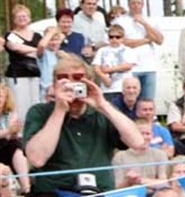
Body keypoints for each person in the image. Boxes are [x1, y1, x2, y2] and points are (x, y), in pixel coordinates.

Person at [23, 54, 143, 195]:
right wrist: (60, 110)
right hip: (54, 191)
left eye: (78, 78)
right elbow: (37, 159)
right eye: (63, 78)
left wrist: (103, 105)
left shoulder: (102, 113)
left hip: (98, 191)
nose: (71, 84)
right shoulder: (40, 112)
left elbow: (137, 142)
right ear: (55, 85)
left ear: (89, 82)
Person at [113, 0, 163, 100]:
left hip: (149, 67)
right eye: (133, 3)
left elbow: (159, 40)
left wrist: (144, 23)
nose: (136, 6)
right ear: (129, 4)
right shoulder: (120, 21)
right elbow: (122, 42)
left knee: (147, 101)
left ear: (143, 4)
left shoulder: (151, 20)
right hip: (129, 68)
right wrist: (146, 40)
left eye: (139, 3)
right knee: (130, 101)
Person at [4, 4, 42, 122]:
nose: (22, 19)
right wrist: (36, 50)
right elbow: (16, 48)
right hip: (17, 75)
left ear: (29, 18)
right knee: (19, 106)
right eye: (19, 17)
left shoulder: (37, 36)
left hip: (35, 74)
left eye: (24, 16)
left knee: (35, 104)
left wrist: (33, 51)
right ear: (14, 19)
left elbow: (42, 53)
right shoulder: (11, 35)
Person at [112, 118, 169, 191]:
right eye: (141, 134)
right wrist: (128, 181)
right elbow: (116, 188)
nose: (145, 137)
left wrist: (139, 180)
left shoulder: (160, 155)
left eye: (148, 134)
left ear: (152, 135)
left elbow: (164, 183)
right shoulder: (120, 157)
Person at [92, 24, 137, 101]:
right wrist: (104, 77)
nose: (114, 39)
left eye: (117, 37)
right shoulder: (102, 50)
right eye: (111, 37)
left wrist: (108, 70)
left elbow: (128, 66)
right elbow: (96, 67)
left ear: (123, 38)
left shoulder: (128, 50)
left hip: (124, 89)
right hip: (107, 89)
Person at [0, 85, 30, 194]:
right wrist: (8, 131)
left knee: (15, 145)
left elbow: (10, 137)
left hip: (6, 147)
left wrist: (14, 132)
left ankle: (26, 188)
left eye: (1, 96)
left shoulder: (9, 115)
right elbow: (6, 133)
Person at [37, 27, 67, 103]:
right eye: (51, 40)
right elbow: (42, 45)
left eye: (56, 40)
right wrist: (50, 33)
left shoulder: (62, 54)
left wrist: (66, 57)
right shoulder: (44, 53)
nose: (53, 43)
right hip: (46, 90)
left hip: (61, 88)